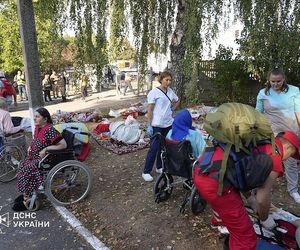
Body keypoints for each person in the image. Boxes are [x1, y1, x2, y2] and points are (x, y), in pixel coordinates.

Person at [193, 130, 300, 250]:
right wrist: (265, 218)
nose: (288, 158)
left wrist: (250, 198)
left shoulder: (260, 142)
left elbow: (243, 173)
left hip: (203, 166)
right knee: (245, 237)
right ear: (288, 146)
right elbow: (262, 198)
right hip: (215, 182)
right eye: (291, 154)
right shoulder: (274, 158)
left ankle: (220, 221)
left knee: (222, 205)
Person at [256, 68, 300, 204]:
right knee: (268, 160)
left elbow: (298, 112)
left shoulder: (294, 91)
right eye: (273, 81)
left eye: (278, 81)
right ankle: (261, 187)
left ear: (284, 79)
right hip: (272, 134)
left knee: (291, 162)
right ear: (268, 80)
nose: (275, 84)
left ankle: (293, 190)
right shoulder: (263, 93)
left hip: (290, 133)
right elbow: (258, 113)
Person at [12, 107, 67, 211]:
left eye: (37, 117)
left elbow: (63, 145)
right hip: (35, 157)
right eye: (34, 117)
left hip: (46, 159)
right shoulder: (38, 128)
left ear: (45, 119)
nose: (34, 119)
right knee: (22, 166)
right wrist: (31, 147)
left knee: (27, 169)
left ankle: (27, 199)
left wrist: (46, 148)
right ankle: (26, 193)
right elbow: (36, 140)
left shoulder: (50, 130)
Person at [142, 71, 180, 182]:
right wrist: (149, 125)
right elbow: (150, 110)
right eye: (166, 80)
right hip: (157, 124)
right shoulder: (154, 92)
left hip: (168, 124)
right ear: (161, 79)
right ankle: (146, 171)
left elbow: (177, 101)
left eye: (170, 80)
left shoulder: (170, 91)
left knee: (164, 147)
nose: (168, 82)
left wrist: (172, 109)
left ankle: (159, 166)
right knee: (154, 148)